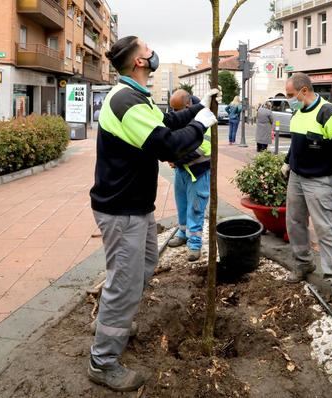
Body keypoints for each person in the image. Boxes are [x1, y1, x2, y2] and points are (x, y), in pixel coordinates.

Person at [88, 35, 219, 392]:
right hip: (122, 209)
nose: (152, 52)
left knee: (142, 269)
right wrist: (203, 123)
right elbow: (167, 144)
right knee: (125, 283)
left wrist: (197, 108)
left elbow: (168, 121)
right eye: (147, 50)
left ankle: (113, 319)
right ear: (140, 63)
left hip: (136, 207)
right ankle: (103, 361)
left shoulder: (137, 97)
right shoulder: (126, 102)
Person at [281, 72, 332, 315]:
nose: (289, 99)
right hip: (297, 177)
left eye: (291, 95)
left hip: (321, 180)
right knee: (294, 222)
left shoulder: (329, 113)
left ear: (304, 91)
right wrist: (287, 161)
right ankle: (303, 263)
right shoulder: (297, 114)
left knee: (326, 230)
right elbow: (296, 143)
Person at [167, 89, 211, 261]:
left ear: (188, 105)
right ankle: (183, 232)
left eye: (177, 110)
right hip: (182, 170)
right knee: (182, 205)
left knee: (195, 208)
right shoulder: (180, 117)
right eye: (172, 110)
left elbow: (204, 148)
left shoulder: (203, 118)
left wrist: (176, 159)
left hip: (198, 172)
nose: (174, 114)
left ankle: (194, 243)